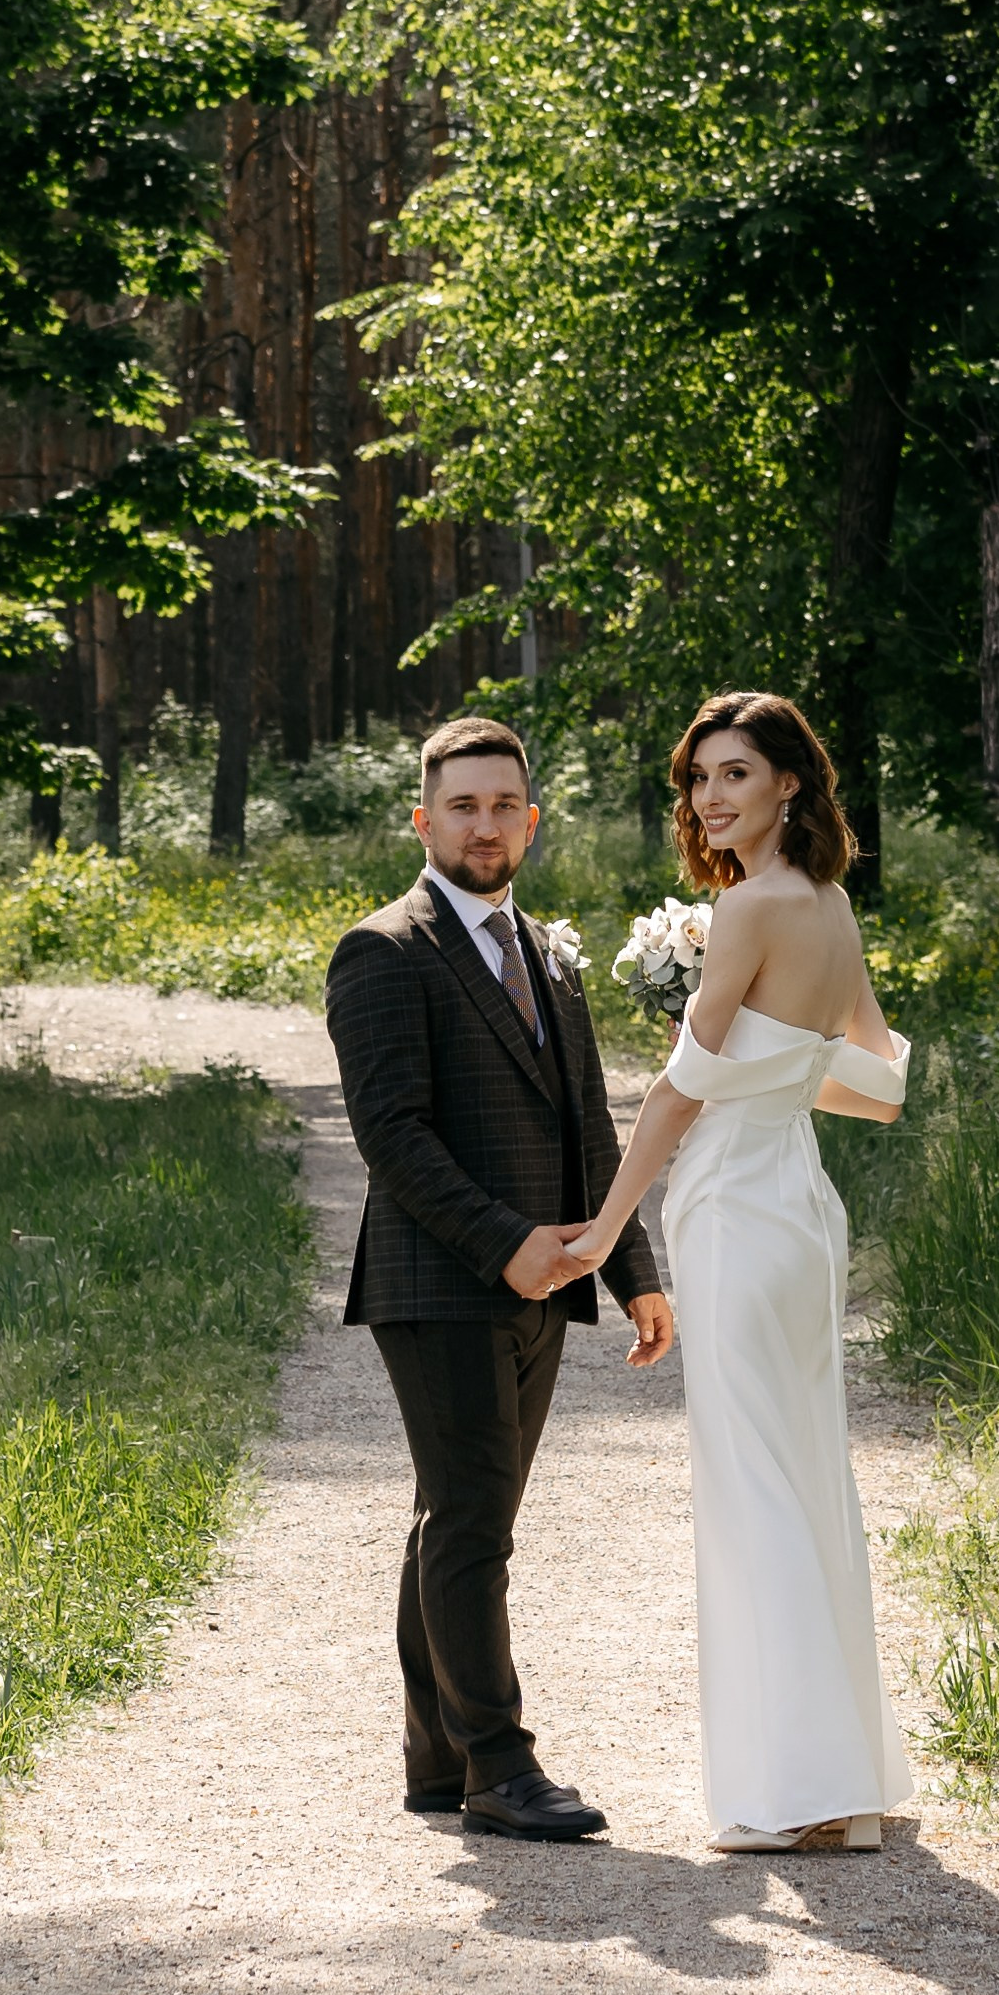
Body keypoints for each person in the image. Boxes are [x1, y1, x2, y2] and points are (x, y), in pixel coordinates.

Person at [554, 691, 912, 1855]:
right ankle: (839, 1789)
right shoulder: (830, 903)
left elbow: (676, 1096)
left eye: (737, 776)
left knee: (755, 1487)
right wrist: (774, 1068)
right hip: (799, 1205)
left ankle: (798, 1796)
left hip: (734, 1209)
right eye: (699, 779)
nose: (712, 799)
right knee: (802, 1475)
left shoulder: (753, 905)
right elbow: (879, 1086)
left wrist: (606, 1231)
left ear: (790, 784)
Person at [325, 715, 675, 1842]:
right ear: (423, 820)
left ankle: (437, 1761)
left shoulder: (549, 956)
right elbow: (393, 1134)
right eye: (462, 806)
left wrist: (633, 1271)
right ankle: (500, 1765)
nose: (486, 824)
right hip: (439, 1280)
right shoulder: (382, 948)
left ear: (532, 817)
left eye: (503, 804)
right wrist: (504, 1242)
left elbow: (589, 1129)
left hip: (545, 1285)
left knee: (460, 1515)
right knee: (474, 1518)